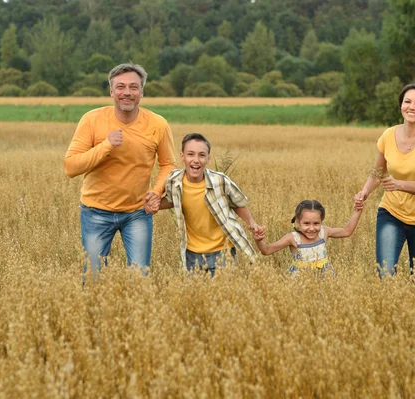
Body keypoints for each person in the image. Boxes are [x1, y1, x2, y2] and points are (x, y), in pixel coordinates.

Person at [64, 63, 176, 279]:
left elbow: (169, 164)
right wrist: (106, 146)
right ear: (111, 91)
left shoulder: (158, 124)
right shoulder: (92, 119)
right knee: (94, 279)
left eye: (134, 87)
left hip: (138, 213)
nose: (127, 92)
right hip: (95, 211)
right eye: (121, 87)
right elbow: (70, 167)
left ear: (142, 92)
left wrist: (156, 190)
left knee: (139, 279)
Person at [354, 82, 415, 278]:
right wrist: (364, 192)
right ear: (401, 105)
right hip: (391, 213)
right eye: (408, 101)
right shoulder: (388, 135)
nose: (412, 107)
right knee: (385, 275)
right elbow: (378, 172)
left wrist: (398, 184)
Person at [148, 133, 261, 276]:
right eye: (190, 154)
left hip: (223, 251)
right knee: (196, 296)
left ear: (208, 158)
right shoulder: (174, 181)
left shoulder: (220, 181)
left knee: (224, 294)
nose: (196, 160)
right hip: (192, 252)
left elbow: (238, 203)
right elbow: (172, 200)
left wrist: (251, 222)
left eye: (202, 155)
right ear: (182, 156)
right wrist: (155, 205)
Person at [253, 200, 363, 274]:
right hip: (301, 283)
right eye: (306, 223)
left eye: (316, 223)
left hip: (325, 280)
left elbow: (346, 231)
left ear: (321, 221)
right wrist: (258, 241)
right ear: (298, 222)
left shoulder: (324, 232)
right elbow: (266, 250)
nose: (311, 228)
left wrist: (357, 211)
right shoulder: (292, 238)